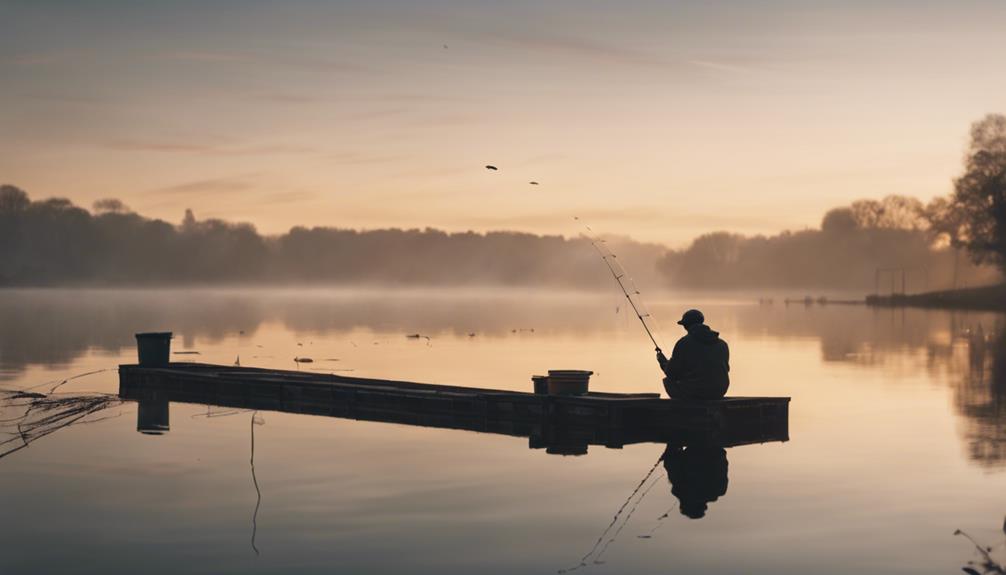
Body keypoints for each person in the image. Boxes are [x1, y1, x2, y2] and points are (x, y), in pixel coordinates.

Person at [656, 309, 729, 400]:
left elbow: (671, 373)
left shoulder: (683, 343)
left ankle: (683, 410)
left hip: (695, 392)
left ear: (686, 326)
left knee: (668, 381)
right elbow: (726, 368)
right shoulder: (722, 344)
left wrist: (662, 362)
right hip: (719, 390)